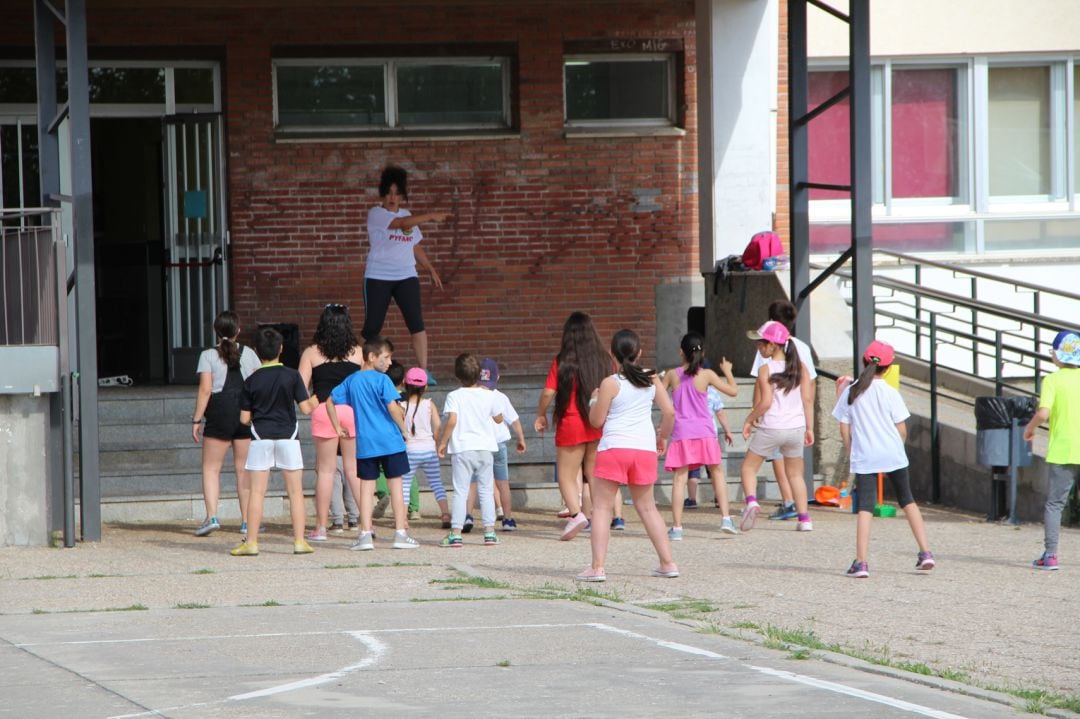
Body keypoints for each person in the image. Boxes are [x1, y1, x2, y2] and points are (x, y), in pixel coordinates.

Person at [576, 329, 677, 581]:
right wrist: (662, 436)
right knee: (648, 508)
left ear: (612, 354)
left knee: (601, 508)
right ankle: (667, 563)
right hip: (643, 449)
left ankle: (597, 567)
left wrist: (592, 401)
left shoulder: (610, 383)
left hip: (614, 448)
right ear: (639, 352)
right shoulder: (651, 378)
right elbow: (670, 413)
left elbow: (596, 421)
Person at [834, 340, 934, 578]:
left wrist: (851, 451)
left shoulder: (851, 391)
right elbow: (902, 430)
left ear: (864, 362)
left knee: (866, 507)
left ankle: (861, 562)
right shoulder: (890, 392)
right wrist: (895, 447)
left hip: (866, 454)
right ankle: (926, 552)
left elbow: (844, 427)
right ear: (888, 368)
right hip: (893, 452)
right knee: (907, 500)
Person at [230, 327, 319, 556]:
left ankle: (251, 542)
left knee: (257, 492)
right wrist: (322, 396)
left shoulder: (251, 380)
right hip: (289, 436)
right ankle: (299, 542)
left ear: (257, 352)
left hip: (260, 437)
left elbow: (244, 418)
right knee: (295, 492)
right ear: (281, 348)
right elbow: (306, 408)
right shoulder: (292, 375)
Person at [326, 335, 418, 551]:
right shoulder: (383, 380)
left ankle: (365, 533)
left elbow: (329, 400)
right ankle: (400, 533)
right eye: (385, 358)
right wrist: (404, 429)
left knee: (367, 488)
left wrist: (337, 427)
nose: (389, 363)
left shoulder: (352, 380)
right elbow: (393, 408)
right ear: (371, 356)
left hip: (366, 443)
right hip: (391, 441)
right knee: (396, 486)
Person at [362, 165, 450, 380]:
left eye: (397, 193)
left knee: (416, 322)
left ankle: (423, 371)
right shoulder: (377, 214)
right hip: (378, 276)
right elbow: (400, 224)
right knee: (372, 326)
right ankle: (361, 366)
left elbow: (415, 245)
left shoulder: (407, 214)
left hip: (406, 276)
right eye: (389, 193)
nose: (393, 197)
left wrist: (430, 269)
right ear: (383, 194)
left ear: (402, 196)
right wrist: (430, 215)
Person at [535, 312, 611, 540]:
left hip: (571, 423)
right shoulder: (605, 360)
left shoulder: (562, 361)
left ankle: (576, 515)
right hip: (597, 423)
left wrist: (541, 414)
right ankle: (600, 516)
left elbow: (549, 392)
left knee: (567, 476)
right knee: (594, 474)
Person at [191, 310, 262, 537]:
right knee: (243, 470)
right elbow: (257, 384)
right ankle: (246, 521)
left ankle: (212, 516)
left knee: (211, 468)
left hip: (219, 412)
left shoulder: (208, 356)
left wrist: (196, 419)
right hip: (244, 413)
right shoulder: (249, 353)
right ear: (238, 331)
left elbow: (205, 390)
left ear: (215, 332)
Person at [297, 304, 364, 543]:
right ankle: (366, 525)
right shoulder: (357, 352)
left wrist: (312, 403)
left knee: (325, 471)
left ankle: (321, 528)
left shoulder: (311, 353)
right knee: (354, 469)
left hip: (325, 409)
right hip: (351, 411)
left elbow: (300, 389)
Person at [738, 321, 814, 532]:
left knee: (748, 468)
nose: (758, 348)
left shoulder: (766, 369)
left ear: (772, 345)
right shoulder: (801, 368)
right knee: (796, 475)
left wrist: (749, 419)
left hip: (771, 427)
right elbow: (808, 400)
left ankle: (752, 502)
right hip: (796, 428)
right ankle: (805, 519)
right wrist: (810, 428)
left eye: (761, 344)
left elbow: (765, 403)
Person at [662, 333, 739, 539]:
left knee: (679, 480)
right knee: (717, 473)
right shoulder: (707, 375)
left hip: (682, 432)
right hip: (705, 431)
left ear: (681, 352)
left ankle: (677, 528)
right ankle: (725, 518)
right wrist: (728, 372)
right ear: (702, 353)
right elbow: (733, 391)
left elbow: (657, 396)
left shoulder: (672, 374)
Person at [1024, 330, 1080, 571]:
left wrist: (1030, 428)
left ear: (1057, 355)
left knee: (1056, 504)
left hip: (1064, 450)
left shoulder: (1052, 381)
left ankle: (1051, 555)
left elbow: (1043, 413)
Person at [436, 353, 504, 548]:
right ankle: (490, 533)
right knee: (486, 489)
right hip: (485, 448)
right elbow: (499, 418)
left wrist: (443, 442)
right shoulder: (489, 395)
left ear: (457, 376)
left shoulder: (454, 396)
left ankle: (456, 533)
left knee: (461, 490)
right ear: (479, 375)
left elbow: (452, 421)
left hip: (463, 448)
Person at [464, 358, 527, 531]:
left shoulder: (470, 395)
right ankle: (507, 520)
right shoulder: (500, 397)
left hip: (478, 445)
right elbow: (514, 420)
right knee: (503, 483)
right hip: (499, 444)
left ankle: (467, 517)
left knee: (472, 483)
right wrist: (520, 438)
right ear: (497, 377)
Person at [399, 367, 451, 526]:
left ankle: (403, 520)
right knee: (436, 483)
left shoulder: (401, 405)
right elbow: (437, 426)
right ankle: (445, 514)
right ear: (425, 387)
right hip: (428, 449)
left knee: (405, 485)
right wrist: (437, 443)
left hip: (410, 450)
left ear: (404, 385)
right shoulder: (429, 404)